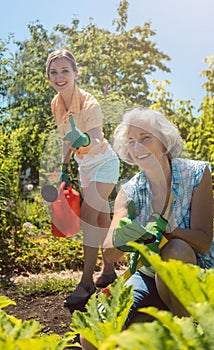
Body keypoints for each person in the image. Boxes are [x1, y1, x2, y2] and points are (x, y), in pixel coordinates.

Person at [103, 107, 214, 325]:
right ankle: (160, 325)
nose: (137, 147)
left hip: (192, 275)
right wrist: (125, 237)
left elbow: (203, 241)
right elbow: (109, 254)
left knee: (175, 249)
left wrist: (164, 230)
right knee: (92, 336)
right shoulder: (128, 191)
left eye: (145, 138)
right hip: (147, 277)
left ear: (164, 142)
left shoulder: (196, 174)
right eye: (131, 141)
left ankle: (185, 332)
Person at [46, 48, 120, 312]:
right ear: (49, 77)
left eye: (65, 70)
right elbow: (68, 136)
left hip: (104, 163)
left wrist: (86, 139)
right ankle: (109, 271)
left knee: (88, 217)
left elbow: (97, 137)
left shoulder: (90, 103)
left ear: (75, 74)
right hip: (84, 167)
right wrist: (64, 168)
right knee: (100, 219)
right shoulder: (57, 103)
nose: (59, 76)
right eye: (54, 72)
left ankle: (86, 282)